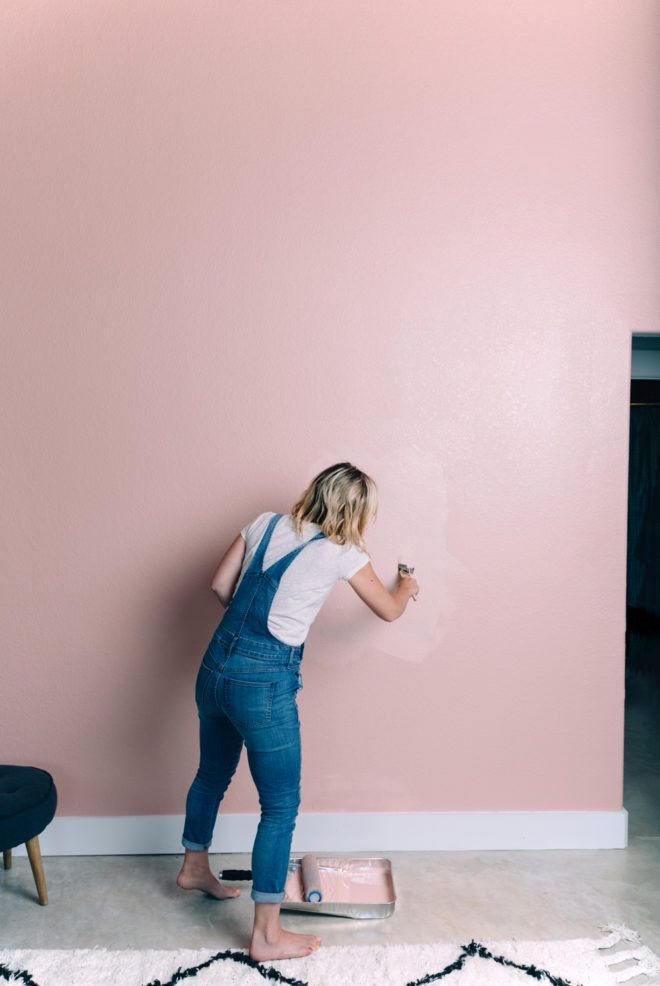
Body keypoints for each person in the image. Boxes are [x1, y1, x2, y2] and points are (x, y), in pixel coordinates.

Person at [176, 462, 420, 961]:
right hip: (263, 684)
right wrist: (406, 588)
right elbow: (389, 610)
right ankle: (266, 935)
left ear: (315, 491)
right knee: (280, 807)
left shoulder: (263, 523)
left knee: (211, 774)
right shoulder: (342, 552)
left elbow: (220, 587)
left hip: (214, 668)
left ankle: (194, 866)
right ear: (357, 511)